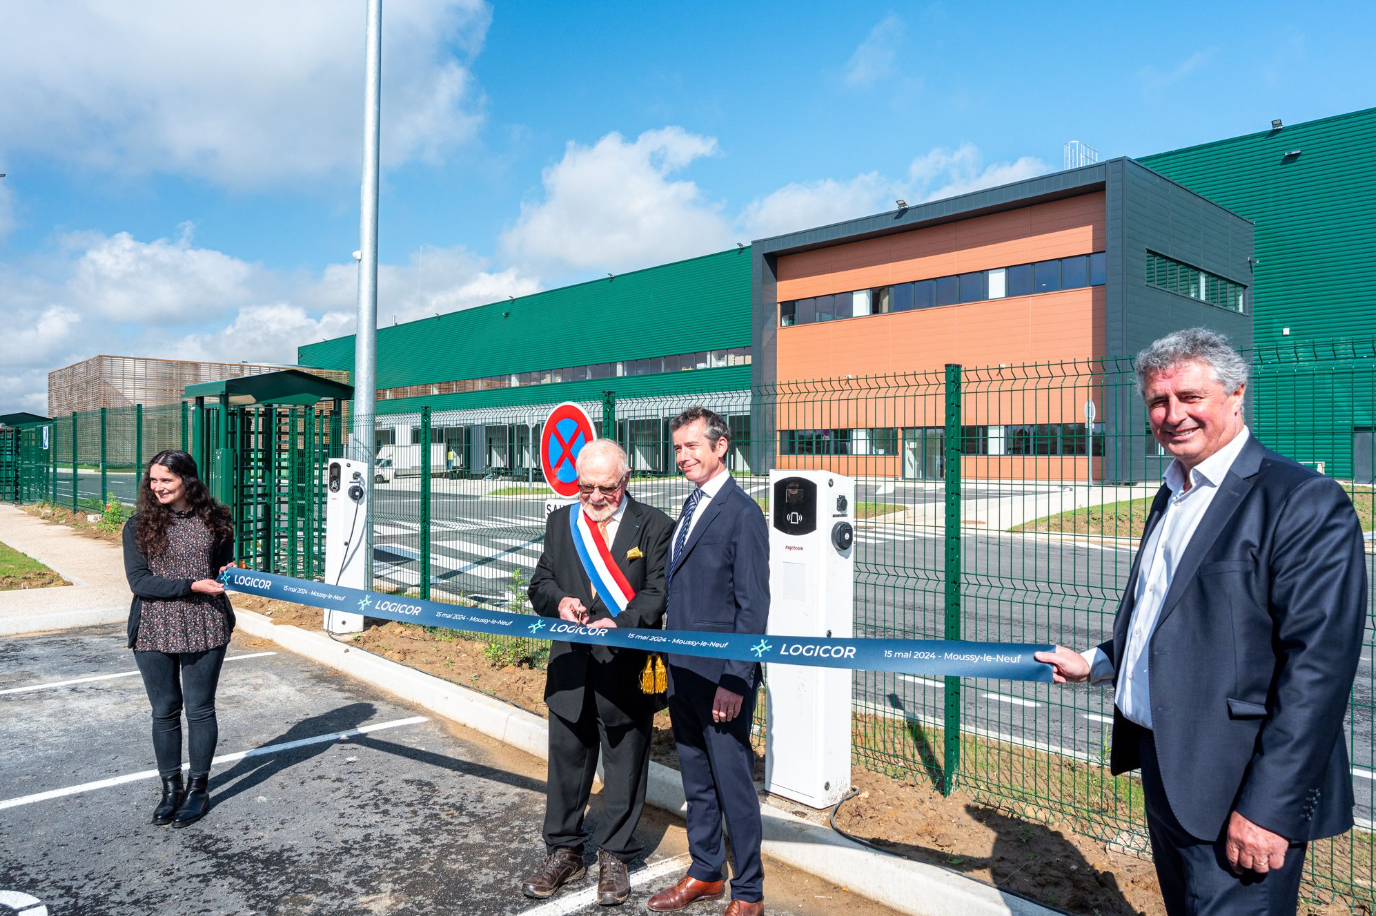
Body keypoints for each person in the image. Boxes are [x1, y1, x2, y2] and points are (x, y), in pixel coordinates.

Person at [1036, 328, 1366, 915]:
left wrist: (1268, 809)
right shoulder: (1174, 492)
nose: (1173, 416)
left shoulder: (1302, 500)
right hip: (1168, 763)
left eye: (1191, 397)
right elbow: (1166, 619)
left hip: (1240, 782)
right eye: (1158, 402)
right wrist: (1096, 662)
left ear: (1236, 395)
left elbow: (1317, 672)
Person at [524, 439, 674, 905]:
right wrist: (560, 601)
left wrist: (621, 622)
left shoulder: (654, 526)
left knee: (625, 764)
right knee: (566, 761)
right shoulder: (561, 522)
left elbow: (658, 592)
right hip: (570, 663)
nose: (592, 497)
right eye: (584, 486)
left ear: (624, 481)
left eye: (604, 488)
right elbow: (541, 582)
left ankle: (615, 854)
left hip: (625, 665)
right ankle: (564, 850)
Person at [648, 407, 769, 916]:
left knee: (733, 782)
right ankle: (705, 871)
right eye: (677, 448)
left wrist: (735, 680)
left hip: (722, 678)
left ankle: (749, 891)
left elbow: (753, 606)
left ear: (721, 446)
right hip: (683, 669)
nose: (682, 456)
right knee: (695, 777)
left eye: (692, 446)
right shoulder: (692, 505)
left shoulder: (742, 513)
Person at [122, 449, 237, 829]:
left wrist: (230, 571)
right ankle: (170, 789)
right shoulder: (138, 525)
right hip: (155, 626)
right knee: (165, 710)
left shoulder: (218, 520)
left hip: (205, 623)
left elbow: (222, 566)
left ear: (188, 480)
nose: (157, 487)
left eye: (166, 480)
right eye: (153, 480)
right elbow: (139, 582)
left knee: (200, 710)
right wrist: (190, 584)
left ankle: (198, 789)